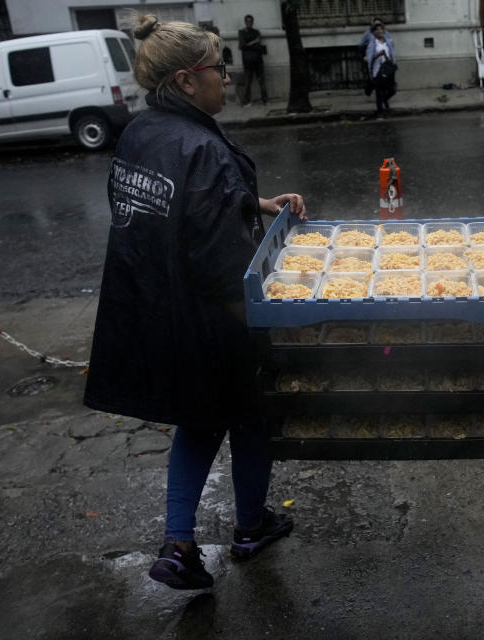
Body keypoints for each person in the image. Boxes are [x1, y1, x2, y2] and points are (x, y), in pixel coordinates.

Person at [84, 13, 307, 591]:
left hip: (159, 306)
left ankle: (183, 540)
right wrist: (268, 329)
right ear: (187, 80)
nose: (226, 79)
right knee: (250, 415)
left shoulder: (142, 131)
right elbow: (220, 265)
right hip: (211, 321)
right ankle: (242, 529)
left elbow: (172, 203)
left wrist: (252, 202)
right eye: (218, 69)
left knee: (200, 422)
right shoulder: (204, 148)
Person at [365, 22, 396, 117]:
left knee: (392, 90)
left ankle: (384, 101)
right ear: (373, 32)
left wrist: (392, 62)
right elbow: (369, 59)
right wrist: (378, 55)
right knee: (379, 92)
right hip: (377, 71)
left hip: (387, 71)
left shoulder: (389, 42)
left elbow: (392, 54)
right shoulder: (372, 44)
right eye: (376, 29)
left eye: (381, 29)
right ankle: (380, 112)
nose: (379, 31)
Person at [238, 14, 267, 105]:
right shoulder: (241, 32)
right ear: (245, 22)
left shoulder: (256, 32)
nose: (249, 23)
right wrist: (254, 42)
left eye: (250, 21)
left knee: (261, 81)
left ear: (252, 22)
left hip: (258, 60)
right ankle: (247, 101)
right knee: (248, 83)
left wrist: (248, 45)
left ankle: (265, 100)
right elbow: (241, 46)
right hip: (247, 61)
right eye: (247, 21)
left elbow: (259, 46)